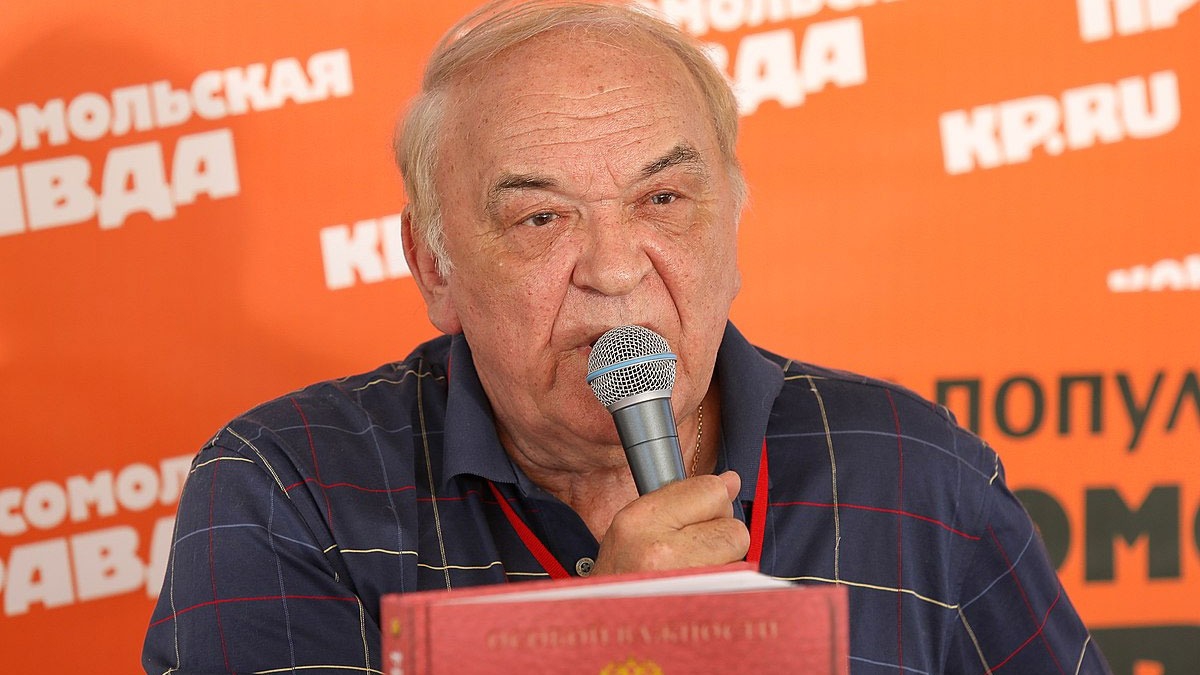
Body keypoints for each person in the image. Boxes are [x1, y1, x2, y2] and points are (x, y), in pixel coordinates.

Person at [143, 1, 1112, 672]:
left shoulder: (913, 472)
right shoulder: (291, 490)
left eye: (663, 200)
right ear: (434, 265)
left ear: (733, 224)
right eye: (541, 219)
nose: (613, 269)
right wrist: (600, 641)